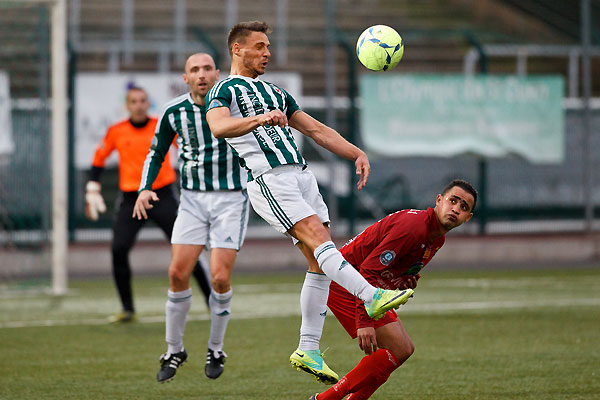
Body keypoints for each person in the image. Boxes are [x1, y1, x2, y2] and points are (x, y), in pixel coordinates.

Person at [205, 21, 414, 385]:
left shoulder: (276, 91)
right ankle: (370, 295)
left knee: (318, 263)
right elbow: (219, 127)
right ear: (237, 49)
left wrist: (355, 153)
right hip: (270, 179)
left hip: (301, 177)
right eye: (259, 46)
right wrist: (259, 119)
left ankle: (308, 348)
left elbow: (317, 130)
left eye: (268, 46)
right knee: (323, 244)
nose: (267, 53)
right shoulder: (224, 89)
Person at [133, 53, 249, 382]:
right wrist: (145, 188)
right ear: (185, 78)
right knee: (176, 273)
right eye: (194, 70)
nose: (201, 74)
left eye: (206, 68)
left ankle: (216, 347)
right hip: (193, 201)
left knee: (220, 279)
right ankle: (174, 349)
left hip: (230, 200)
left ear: (217, 73)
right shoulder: (174, 111)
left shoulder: (235, 103)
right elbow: (156, 152)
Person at [308, 179, 477, 400]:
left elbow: (390, 269)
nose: (456, 209)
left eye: (464, 207)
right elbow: (367, 270)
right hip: (343, 283)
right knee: (398, 348)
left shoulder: (437, 238)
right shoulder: (413, 229)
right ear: (439, 200)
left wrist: (402, 280)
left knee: (403, 349)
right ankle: (324, 399)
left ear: (468, 218)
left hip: (362, 286)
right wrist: (364, 322)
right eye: (452, 201)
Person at [85, 86, 211, 323]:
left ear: (148, 103)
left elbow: (191, 148)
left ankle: (210, 301)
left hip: (162, 194)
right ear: (127, 105)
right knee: (118, 249)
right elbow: (98, 158)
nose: (139, 105)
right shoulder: (117, 131)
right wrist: (92, 187)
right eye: (134, 101)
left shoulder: (160, 126)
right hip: (132, 199)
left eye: (143, 100)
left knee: (188, 248)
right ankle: (128, 308)